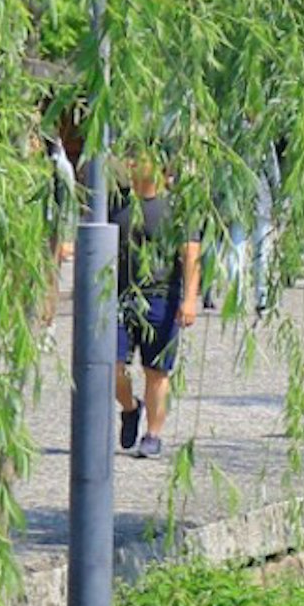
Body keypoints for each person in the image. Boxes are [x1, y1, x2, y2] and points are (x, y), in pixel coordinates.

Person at [111, 155, 199, 460]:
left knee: (157, 371)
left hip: (162, 295)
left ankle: (153, 435)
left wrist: (189, 299)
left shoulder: (175, 211)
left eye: (140, 160)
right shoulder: (117, 205)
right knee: (112, 366)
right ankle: (130, 408)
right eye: (132, 161)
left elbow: (191, 255)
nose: (132, 165)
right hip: (121, 297)